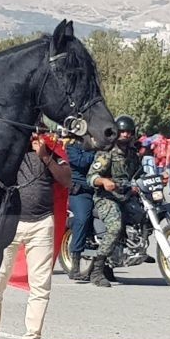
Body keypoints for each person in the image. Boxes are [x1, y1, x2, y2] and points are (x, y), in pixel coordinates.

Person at [0, 131, 71, 339]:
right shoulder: (8, 145)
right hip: (10, 222)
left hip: (42, 224)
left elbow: (66, 179)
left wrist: (44, 156)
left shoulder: (51, 149)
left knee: (41, 285)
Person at [85, 117, 141, 287]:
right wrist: (104, 182)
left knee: (143, 217)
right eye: (123, 131)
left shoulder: (132, 154)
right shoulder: (106, 153)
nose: (126, 135)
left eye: (129, 132)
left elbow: (139, 173)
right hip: (106, 198)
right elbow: (91, 177)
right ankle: (97, 270)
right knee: (115, 227)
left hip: (127, 196)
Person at [66, 115, 107, 281]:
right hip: (81, 190)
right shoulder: (71, 145)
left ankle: (107, 264)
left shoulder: (99, 144)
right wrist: (97, 155)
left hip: (100, 189)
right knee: (83, 219)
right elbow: (80, 162)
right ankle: (75, 264)